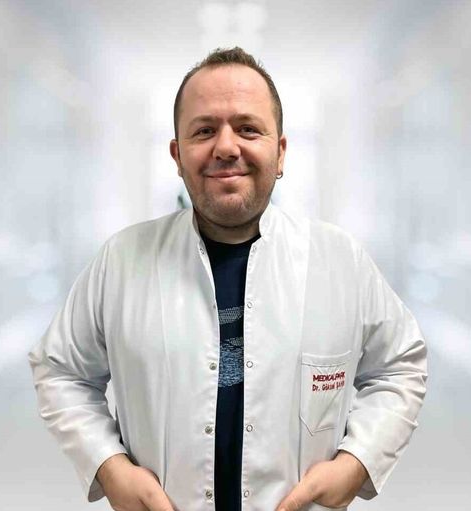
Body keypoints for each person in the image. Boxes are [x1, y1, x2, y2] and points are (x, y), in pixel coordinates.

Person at [28, 47, 428, 511]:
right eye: (204, 131)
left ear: (280, 152)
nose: (226, 147)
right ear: (177, 156)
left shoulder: (339, 260)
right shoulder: (122, 260)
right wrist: (109, 466)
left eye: (248, 128)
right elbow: (61, 369)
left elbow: (400, 365)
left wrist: (357, 462)